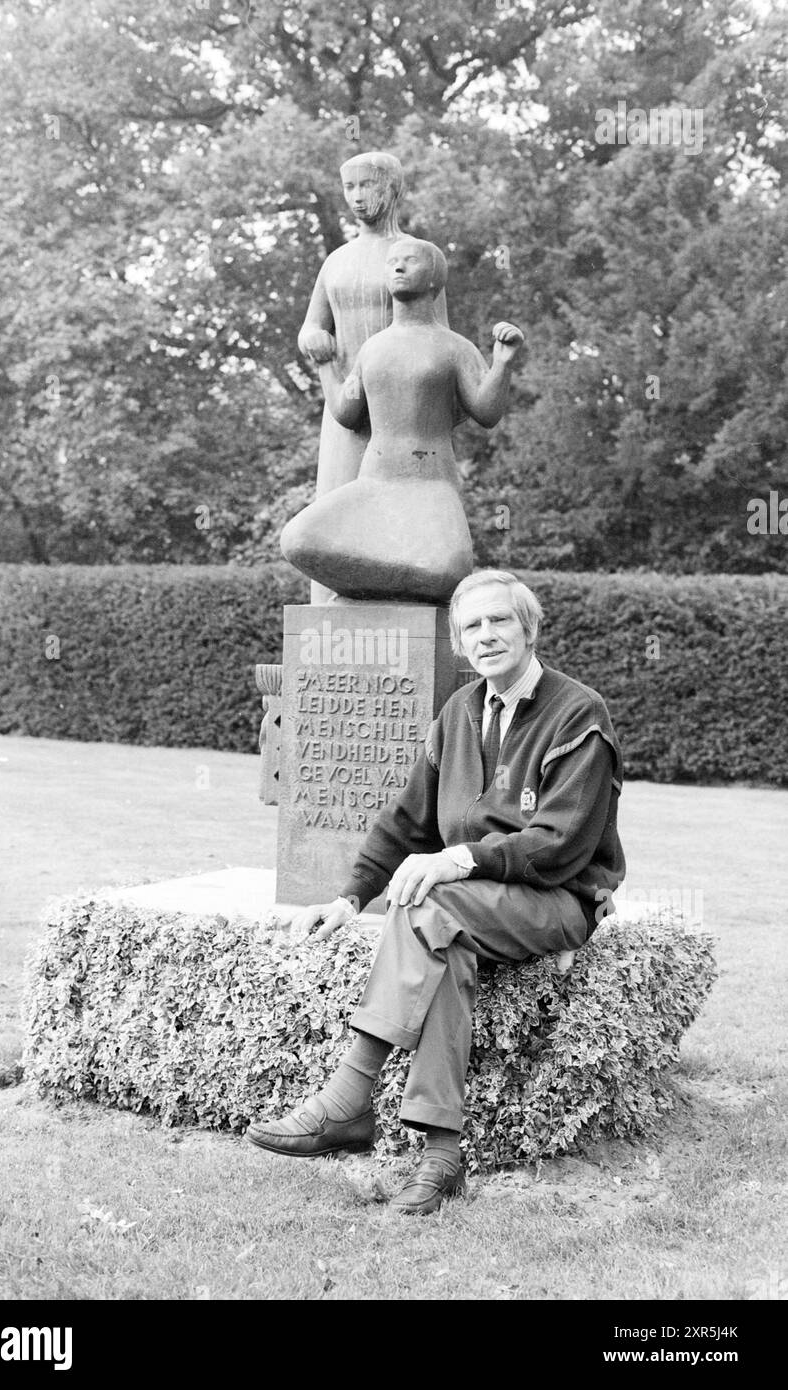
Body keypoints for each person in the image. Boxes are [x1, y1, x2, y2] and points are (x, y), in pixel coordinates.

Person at [247, 569, 626, 1214]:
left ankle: (349, 1093)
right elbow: (407, 819)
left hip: (558, 899)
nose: (487, 636)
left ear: (528, 628)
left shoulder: (578, 711)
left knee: (431, 899)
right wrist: (348, 897)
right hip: (469, 910)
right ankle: (441, 1154)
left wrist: (460, 858)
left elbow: (561, 842)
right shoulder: (458, 712)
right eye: (472, 626)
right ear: (458, 643)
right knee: (441, 937)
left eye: (500, 620)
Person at [281, 237, 524, 603]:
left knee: (448, 569)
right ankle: (380, 596)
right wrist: (325, 365)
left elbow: (486, 412)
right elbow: (346, 413)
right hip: (375, 481)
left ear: (433, 278)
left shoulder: (453, 347)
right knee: (299, 540)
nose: (397, 267)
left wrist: (503, 363)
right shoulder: (373, 348)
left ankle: (379, 592)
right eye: (393, 261)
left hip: (431, 484)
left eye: (409, 260)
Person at [297, 152, 449, 603]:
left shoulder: (415, 257)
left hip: (402, 411)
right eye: (350, 188)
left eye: (368, 185)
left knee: (406, 508)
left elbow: (437, 334)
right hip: (342, 406)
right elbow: (312, 324)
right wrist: (313, 339)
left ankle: (405, 609)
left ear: (393, 188)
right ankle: (328, 623)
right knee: (334, 507)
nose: (358, 197)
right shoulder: (336, 261)